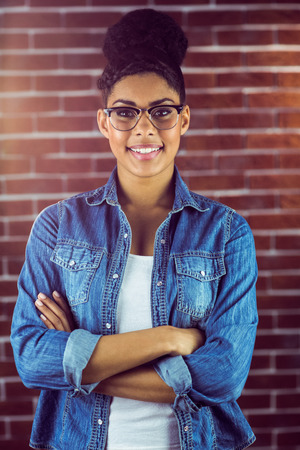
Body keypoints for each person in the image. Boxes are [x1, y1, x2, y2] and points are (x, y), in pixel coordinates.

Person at [11, 9, 258, 450]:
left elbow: (223, 376)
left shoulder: (227, 234)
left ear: (183, 119)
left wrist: (81, 362)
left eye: (162, 111)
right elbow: (31, 358)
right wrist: (169, 339)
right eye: (125, 112)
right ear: (105, 122)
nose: (144, 128)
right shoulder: (58, 226)